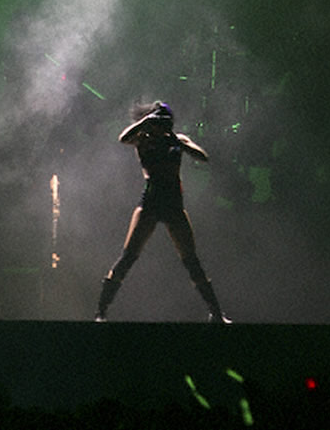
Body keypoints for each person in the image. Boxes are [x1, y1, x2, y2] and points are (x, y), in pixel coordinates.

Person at [95, 100, 229, 322]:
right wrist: (145, 122)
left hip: (174, 204)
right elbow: (123, 138)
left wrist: (179, 141)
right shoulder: (143, 140)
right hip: (151, 202)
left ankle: (216, 313)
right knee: (128, 256)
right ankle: (101, 312)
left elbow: (202, 157)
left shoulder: (177, 140)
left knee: (191, 259)